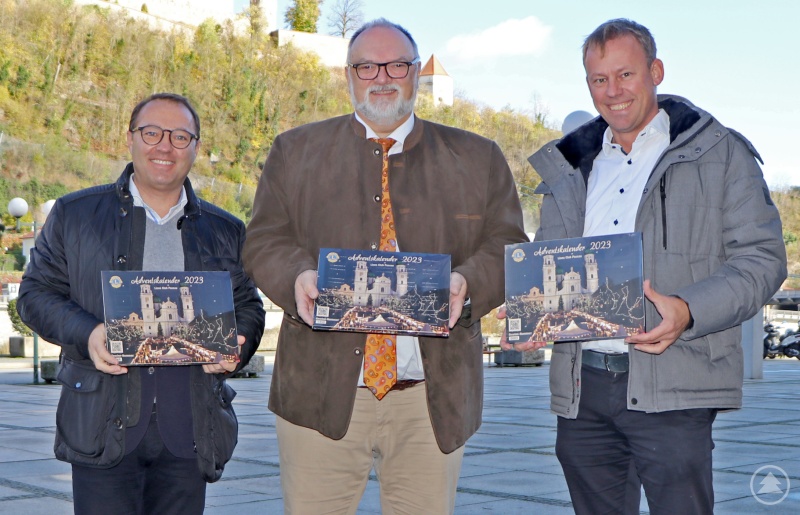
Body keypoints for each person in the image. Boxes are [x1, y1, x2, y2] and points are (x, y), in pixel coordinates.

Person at [243, 18, 527, 514]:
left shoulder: (477, 157)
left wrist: (467, 283)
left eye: (397, 64)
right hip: (319, 393)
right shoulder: (295, 151)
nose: (382, 76)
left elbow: (507, 245)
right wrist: (297, 278)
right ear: (348, 75)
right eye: (367, 65)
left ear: (416, 73)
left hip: (431, 400)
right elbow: (264, 239)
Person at [526, 19, 787, 514]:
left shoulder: (720, 153)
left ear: (656, 71)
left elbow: (763, 259)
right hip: (583, 389)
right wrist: (534, 314)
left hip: (674, 385)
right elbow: (547, 265)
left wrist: (687, 310)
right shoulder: (568, 170)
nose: (613, 91)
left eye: (625, 74)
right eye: (599, 80)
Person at [16, 93, 265, 514]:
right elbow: (35, 295)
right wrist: (89, 332)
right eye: (152, 133)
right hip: (100, 421)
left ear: (196, 147)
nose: (164, 146)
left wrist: (238, 344)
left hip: (189, 427)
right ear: (130, 139)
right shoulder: (75, 215)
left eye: (180, 136)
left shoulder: (225, 229)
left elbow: (248, 306)